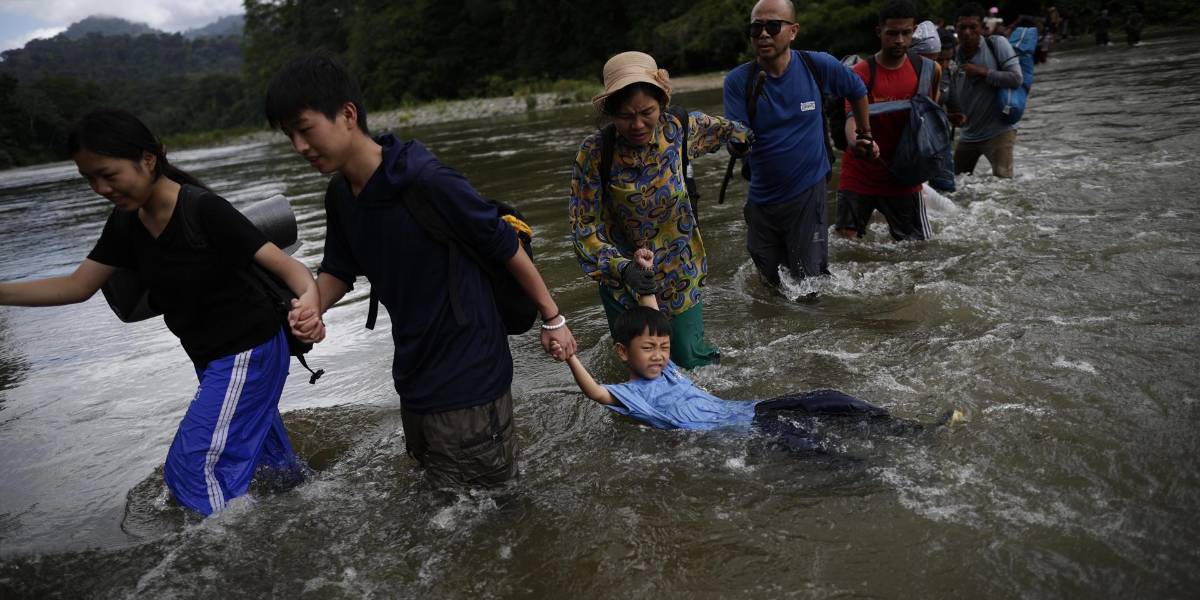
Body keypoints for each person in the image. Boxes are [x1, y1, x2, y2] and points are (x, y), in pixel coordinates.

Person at [265, 53, 577, 488]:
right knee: (444, 502)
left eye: (305, 129)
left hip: (471, 368)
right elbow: (338, 270)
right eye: (289, 136)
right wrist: (310, 307)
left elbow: (505, 245)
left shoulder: (427, 180)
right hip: (415, 373)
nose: (299, 146)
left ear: (347, 115)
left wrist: (553, 319)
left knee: (491, 509)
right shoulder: (341, 195)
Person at [0, 109, 318, 516]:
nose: (100, 188)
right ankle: (308, 519)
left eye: (108, 174)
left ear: (147, 159)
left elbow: (292, 270)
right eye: (90, 179)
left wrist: (309, 306)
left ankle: (239, 567)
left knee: (192, 472)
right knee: (273, 471)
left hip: (248, 352)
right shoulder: (126, 223)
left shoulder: (203, 210)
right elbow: (77, 287)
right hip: (212, 359)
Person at [553, 250, 957, 449]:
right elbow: (594, 392)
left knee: (829, 400)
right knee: (810, 448)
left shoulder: (667, 369)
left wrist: (644, 274)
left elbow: (651, 319)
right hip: (739, 432)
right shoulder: (633, 395)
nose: (658, 354)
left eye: (663, 347)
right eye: (648, 350)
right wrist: (570, 353)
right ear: (623, 354)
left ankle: (909, 431)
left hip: (751, 409)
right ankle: (874, 473)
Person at [570, 51, 751, 370]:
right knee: (641, 367)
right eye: (626, 116)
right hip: (624, 279)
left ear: (662, 104)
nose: (637, 124)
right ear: (611, 113)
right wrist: (622, 268)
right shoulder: (596, 152)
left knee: (691, 360)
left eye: (646, 112)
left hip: (679, 271)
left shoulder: (681, 128)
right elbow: (583, 228)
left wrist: (743, 142)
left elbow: (732, 131)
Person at [723, 0, 876, 290]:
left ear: (793, 31)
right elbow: (737, 133)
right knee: (771, 286)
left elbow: (857, 90)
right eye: (756, 28)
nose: (763, 35)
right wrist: (737, 145)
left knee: (810, 285)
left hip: (808, 191)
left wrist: (865, 135)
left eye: (772, 26)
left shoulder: (816, 65)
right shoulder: (739, 81)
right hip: (762, 197)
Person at [836, 3, 942, 242]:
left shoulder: (928, 70)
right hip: (860, 172)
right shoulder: (860, 73)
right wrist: (857, 142)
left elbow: (929, 119)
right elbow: (851, 119)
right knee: (845, 244)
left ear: (913, 31)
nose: (899, 40)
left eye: (906, 33)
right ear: (879, 32)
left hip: (904, 176)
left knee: (918, 251)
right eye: (892, 33)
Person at [948, 2, 1024, 179]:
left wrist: (984, 72)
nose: (967, 32)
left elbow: (1016, 79)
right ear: (956, 29)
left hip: (999, 131)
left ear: (982, 28)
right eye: (962, 27)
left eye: (973, 27)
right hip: (968, 134)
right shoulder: (953, 56)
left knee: (1004, 183)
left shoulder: (997, 44)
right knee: (952, 185)